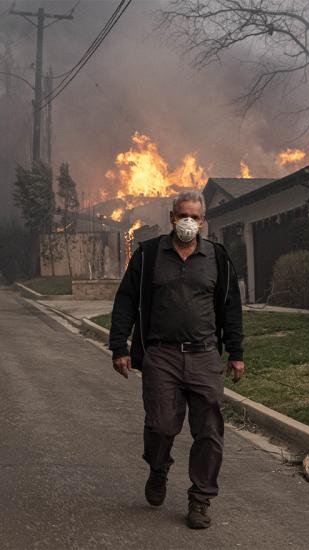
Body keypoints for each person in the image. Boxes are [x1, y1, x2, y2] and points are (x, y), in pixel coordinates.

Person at [108, 190, 245, 529]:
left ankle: (200, 500)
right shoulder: (149, 254)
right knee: (160, 426)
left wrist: (236, 353)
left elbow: (231, 308)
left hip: (204, 356)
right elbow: (126, 299)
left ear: (203, 221)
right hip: (161, 355)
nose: (188, 222)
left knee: (209, 432)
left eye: (195, 217)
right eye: (182, 215)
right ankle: (158, 469)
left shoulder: (218, 257)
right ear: (171, 217)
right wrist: (119, 346)